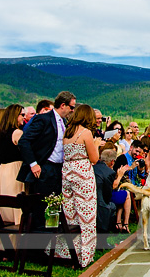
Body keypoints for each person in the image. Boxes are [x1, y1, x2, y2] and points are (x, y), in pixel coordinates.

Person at [17, 91, 76, 227]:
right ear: (63, 105)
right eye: (71, 107)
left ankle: (51, 241)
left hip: (58, 169)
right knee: (40, 207)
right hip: (44, 167)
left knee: (55, 207)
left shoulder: (64, 122)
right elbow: (24, 141)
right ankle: (37, 242)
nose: (72, 110)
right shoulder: (44, 119)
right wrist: (33, 163)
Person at [53, 104, 100, 266]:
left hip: (67, 172)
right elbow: (94, 159)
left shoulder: (68, 132)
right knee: (86, 214)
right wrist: (96, 145)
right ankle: (85, 255)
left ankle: (67, 252)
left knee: (70, 213)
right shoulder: (85, 133)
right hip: (82, 174)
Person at [0, 105, 25, 224]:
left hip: (3, 170)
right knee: (17, 202)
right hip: (15, 169)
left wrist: (5, 153)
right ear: (15, 116)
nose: (24, 118)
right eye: (22, 115)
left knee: (4, 203)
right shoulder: (17, 133)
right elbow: (27, 152)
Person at [94, 148, 118, 241]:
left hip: (91, 200)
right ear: (112, 162)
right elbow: (108, 195)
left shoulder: (93, 167)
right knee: (112, 206)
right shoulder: (109, 172)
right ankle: (103, 239)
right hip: (100, 204)